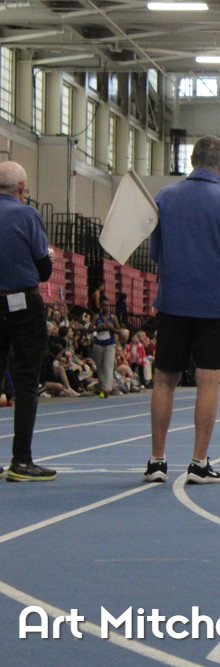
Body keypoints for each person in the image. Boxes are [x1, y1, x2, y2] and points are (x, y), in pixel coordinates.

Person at [143, 136, 220, 484]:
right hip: (214, 303)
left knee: (164, 380)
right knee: (208, 382)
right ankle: (198, 463)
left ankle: (157, 461)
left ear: (192, 160)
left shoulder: (165, 197)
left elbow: (154, 252)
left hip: (173, 301)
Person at [0, 161, 58, 481]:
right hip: (23, 303)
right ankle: (21, 460)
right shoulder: (27, 215)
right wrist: (47, 258)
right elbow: (44, 270)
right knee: (25, 382)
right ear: (21, 188)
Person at [90, 297, 121, 397]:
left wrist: (112, 328)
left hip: (110, 345)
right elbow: (89, 330)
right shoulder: (96, 317)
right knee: (100, 367)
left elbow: (120, 331)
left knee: (108, 366)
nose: (106, 307)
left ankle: (107, 389)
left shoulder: (113, 317)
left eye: (108, 305)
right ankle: (102, 388)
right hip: (98, 345)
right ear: (101, 306)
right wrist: (98, 328)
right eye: (104, 305)